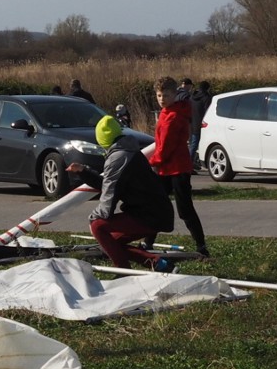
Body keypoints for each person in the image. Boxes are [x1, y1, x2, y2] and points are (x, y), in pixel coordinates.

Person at [66, 115, 176, 271]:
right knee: (110, 243)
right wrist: (83, 171)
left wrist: (94, 218)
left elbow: (107, 201)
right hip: (156, 212)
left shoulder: (117, 158)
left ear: (102, 140)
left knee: (98, 227)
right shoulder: (129, 151)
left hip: (148, 215)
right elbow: (110, 184)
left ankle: (123, 272)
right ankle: (158, 264)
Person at [147, 76, 210, 258]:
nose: (161, 99)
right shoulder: (168, 113)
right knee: (157, 205)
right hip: (167, 168)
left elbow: (166, 145)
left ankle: (201, 246)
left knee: (184, 209)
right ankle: (148, 242)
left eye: (166, 95)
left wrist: (154, 162)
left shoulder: (173, 116)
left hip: (176, 168)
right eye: (159, 95)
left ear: (175, 94)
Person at [189, 80, 212, 170]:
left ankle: (191, 162)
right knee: (199, 144)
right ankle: (190, 163)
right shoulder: (206, 98)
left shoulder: (192, 97)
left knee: (193, 144)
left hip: (192, 122)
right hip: (203, 124)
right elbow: (208, 111)